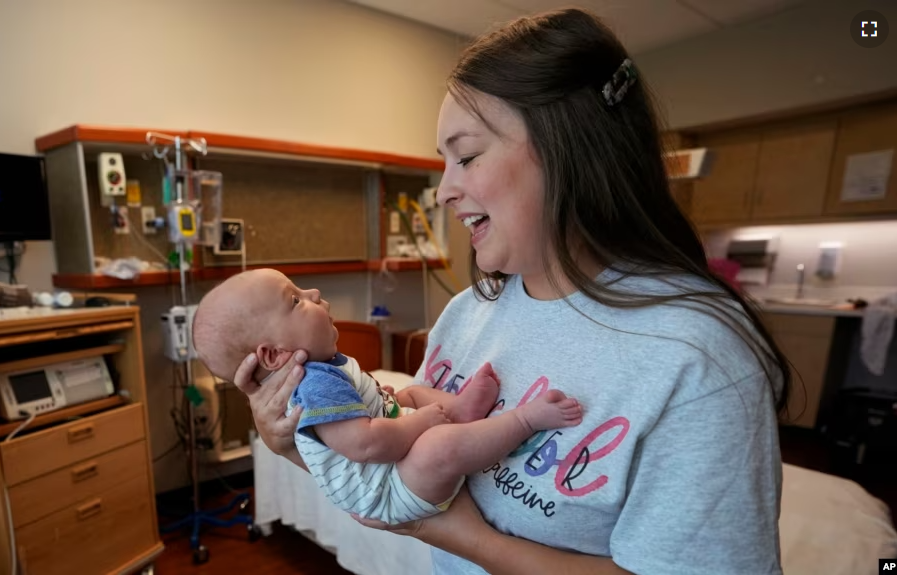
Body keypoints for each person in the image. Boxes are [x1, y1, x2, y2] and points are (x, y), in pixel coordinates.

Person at [232, 8, 790, 575]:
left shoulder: (696, 360)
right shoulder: (468, 314)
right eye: (443, 163)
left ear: (571, 149)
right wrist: (286, 441)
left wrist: (457, 535)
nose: (445, 191)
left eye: (467, 156)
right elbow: (386, 468)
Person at [193, 269, 583, 525]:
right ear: (274, 354)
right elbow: (363, 444)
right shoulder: (313, 384)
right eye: (295, 300)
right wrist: (423, 420)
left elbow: (375, 409)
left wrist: (400, 406)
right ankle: (524, 421)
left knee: (409, 391)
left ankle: (462, 408)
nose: (313, 291)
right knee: (436, 445)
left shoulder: (324, 368)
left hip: (388, 461)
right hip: (385, 490)